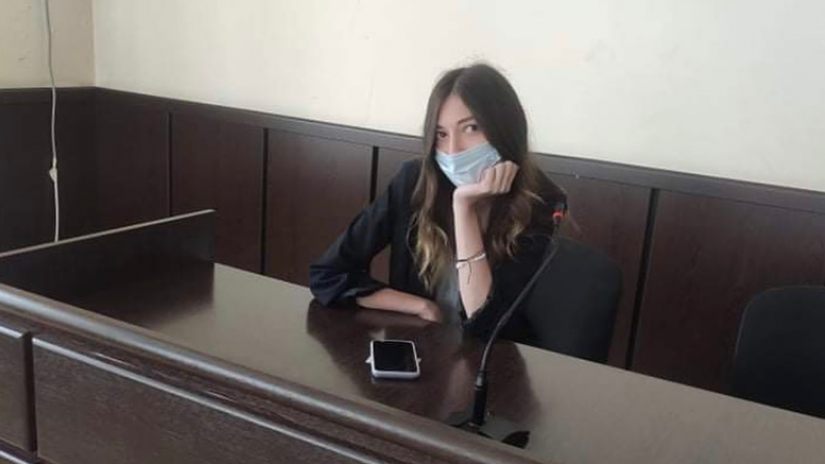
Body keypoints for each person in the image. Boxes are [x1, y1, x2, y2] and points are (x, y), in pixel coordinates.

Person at [309, 63, 566, 342]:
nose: (453, 150)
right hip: (423, 350)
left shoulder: (543, 202)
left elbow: (488, 327)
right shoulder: (414, 182)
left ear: (505, 130)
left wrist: (464, 208)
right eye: (441, 134)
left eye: (471, 128)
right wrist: (420, 306)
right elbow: (328, 274)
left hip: (496, 360)